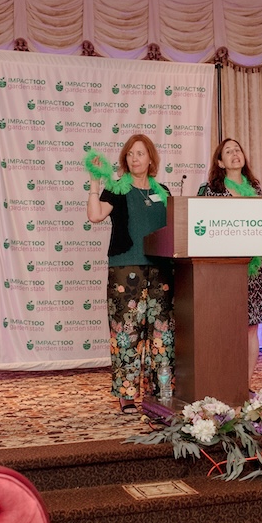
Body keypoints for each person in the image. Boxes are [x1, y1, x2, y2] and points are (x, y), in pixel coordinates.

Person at [86, 133, 174, 414]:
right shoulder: (118, 188)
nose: (134, 158)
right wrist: (94, 183)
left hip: (160, 270)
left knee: (160, 333)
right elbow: (95, 215)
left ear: (150, 159)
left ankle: (160, 389)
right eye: (130, 154)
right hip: (126, 269)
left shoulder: (163, 192)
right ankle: (126, 393)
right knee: (126, 332)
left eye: (140, 153)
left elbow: (176, 228)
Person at [197, 137, 262, 381]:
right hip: (224, 268)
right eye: (228, 151)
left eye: (237, 150)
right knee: (226, 325)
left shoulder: (255, 189)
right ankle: (223, 380)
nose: (235, 154)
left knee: (251, 327)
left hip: (253, 267)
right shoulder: (210, 190)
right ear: (220, 162)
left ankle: (245, 382)